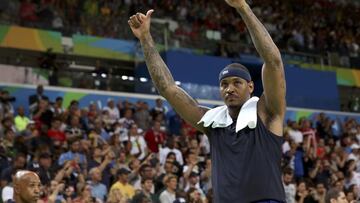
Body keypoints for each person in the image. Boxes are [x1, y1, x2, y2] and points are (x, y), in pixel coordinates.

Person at [128, 0, 286, 201]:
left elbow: (273, 61)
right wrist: (145, 38)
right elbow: (168, 89)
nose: (229, 88)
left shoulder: (268, 112)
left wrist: (243, 8)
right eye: (224, 84)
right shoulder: (213, 123)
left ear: (251, 87)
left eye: (237, 82)